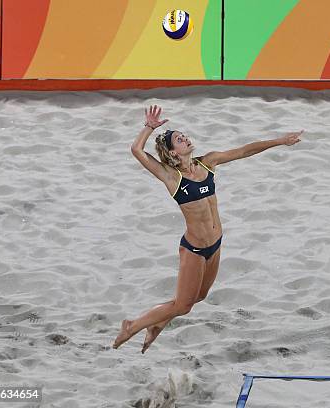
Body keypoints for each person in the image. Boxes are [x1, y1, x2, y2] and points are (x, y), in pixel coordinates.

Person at [112, 105, 303, 353]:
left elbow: (245, 150)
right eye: (180, 139)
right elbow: (136, 150)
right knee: (183, 306)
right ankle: (132, 325)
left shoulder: (208, 163)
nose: (186, 139)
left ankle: (157, 323)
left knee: (198, 297)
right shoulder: (172, 177)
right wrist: (149, 127)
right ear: (172, 152)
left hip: (215, 244)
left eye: (185, 136)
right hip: (194, 249)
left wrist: (279, 141)